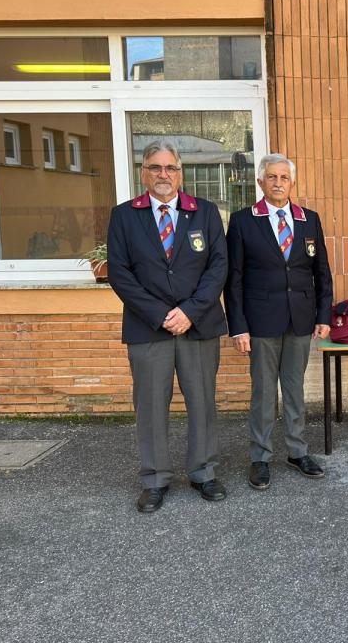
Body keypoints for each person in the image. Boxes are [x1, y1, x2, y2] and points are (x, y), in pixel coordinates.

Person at [107, 141, 229, 513]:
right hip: (149, 329)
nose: (164, 175)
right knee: (150, 405)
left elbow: (218, 266)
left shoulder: (205, 212)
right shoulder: (125, 215)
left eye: (171, 168)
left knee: (202, 401)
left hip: (198, 326)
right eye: (156, 168)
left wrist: (189, 311)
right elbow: (120, 273)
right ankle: (155, 479)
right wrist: (161, 314)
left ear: (181, 172)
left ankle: (203, 472)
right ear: (144, 172)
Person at [225, 153, 333, 490]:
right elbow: (234, 279)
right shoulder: (244, 221)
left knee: (295, 389)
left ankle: (297, 451)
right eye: (271, 177)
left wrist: (323, 315)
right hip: (260, 322)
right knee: (263, 392)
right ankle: (260, 457)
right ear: (260, 183)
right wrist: (238, 326)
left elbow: (321, 274)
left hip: (300, 319)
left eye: (284, 177)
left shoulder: (308, 220)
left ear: (292, 182)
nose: (277, 183)